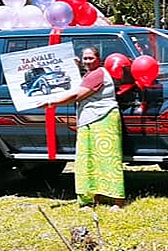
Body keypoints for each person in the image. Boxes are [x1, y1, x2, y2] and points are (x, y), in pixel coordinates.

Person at [49, 47, 124, 207]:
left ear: (99, 59)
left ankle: (117, 200)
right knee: (88, 160)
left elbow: (77, 95)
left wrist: (50, 103)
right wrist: (75, 66)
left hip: (103, 119)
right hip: (89, 119)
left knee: (107, 160)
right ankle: (93, 198)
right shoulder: (90, 74)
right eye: (85, 58)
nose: (87, 61)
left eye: (91, 58)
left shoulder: (98, 74)